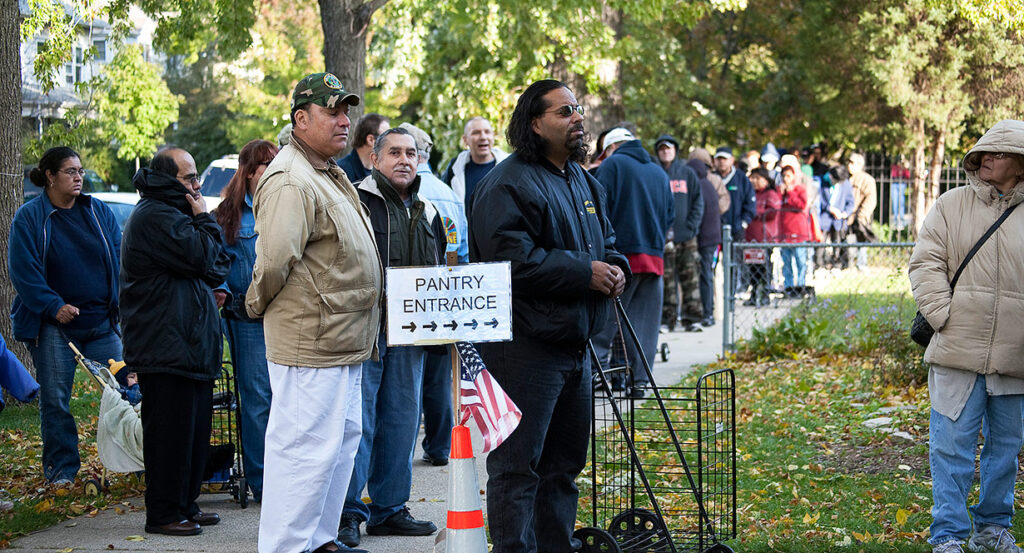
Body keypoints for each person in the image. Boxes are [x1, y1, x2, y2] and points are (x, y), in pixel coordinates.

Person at [468, 79, 628, 553]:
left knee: (564, 468)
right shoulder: (507, 182)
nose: (578, 118)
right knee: (518, 468)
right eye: (564, 112)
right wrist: (584, 271)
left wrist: (616, 269)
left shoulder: (584, 180)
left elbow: (608, 244)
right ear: (535, 124)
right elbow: (508, 263)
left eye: (578, 109)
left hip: (575, 349)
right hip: (524, 350)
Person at [246, 72, 380, 553]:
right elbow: (275, 259)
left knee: (337, 447)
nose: (344, 121)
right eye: (332, 112)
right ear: (300, 120)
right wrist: (254, 304)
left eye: (346, 111)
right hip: (310, 341)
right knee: (303, 454)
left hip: (342, 340)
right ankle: (286, 547)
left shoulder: (325, 170)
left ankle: (318, 540)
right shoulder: (289, 178)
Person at [909, 119, 1024, 553]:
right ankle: (949, 536)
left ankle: (992, 530)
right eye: (984, 152)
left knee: (1006, 452)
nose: (987, 158)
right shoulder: (951, 204)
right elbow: (926, 262)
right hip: (957, 349)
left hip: (1015, 354)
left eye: (999, 152)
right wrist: (943, 315)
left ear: (1021, 163)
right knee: (951, 449)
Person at [338, 127, 444, 548]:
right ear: (374, 158)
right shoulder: (355, 201)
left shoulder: (429, 209)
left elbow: (441, 270)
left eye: (411, 153)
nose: (404, 159)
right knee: (358, 426)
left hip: (411, 335)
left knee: (402, 421)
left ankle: (390, 510)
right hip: (365, 331)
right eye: (394, 152)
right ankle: (347, 512)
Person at [120, 147, 231, 536]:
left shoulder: (177, 214)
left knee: (192, 435)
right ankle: (164, 513)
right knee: (169, 436)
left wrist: (203, 232)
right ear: (168, 180)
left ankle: (185, 504)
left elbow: (218, 263)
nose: (198, 186)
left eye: (197, 177)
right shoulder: (156, 216)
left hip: (189, 345)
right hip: (165, 345)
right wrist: (204, 219)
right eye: (190, 178)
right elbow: (204, 257)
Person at [9, 146, 123, 484]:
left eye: (80, 171)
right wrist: (53, 306)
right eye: (70, 171)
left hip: (102, 323)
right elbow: (23, 272)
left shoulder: (97, 211)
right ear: (49, 176)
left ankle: (131, 463)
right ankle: (62, 471)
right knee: (56, 401)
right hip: (54, 328)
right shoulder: (30, 218)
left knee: (123, 393)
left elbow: (118, 261)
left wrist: (116, 303)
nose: (78, 177)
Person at [398, 122, 470, 466]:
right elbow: (463, 248)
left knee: (410, 380)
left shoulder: (410, 194)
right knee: (440, 378)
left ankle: (406, 444)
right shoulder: (448, 193)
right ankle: (440, 446)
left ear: (417, 155)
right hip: (445, 294)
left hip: (410, 298)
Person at [212, 139, 279, 503]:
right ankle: (263, 482)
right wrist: (223, 294)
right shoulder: (228, 215)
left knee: (290, 401)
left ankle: (289, 478)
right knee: (257, 402)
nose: (274, 170)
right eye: (267, 164)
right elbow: (215, 265)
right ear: (250, 172)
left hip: (289, 318)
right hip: (248, 321)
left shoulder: (289, 206)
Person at [593, 129, 673, 395]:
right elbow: (670, 216)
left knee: (605, 321)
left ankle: (598, 376)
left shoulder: (613, 165)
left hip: (620, 258)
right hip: (654, 259)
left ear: (613, 146)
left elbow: (597, 207)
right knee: (645, 326)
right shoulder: (660, 173)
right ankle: (640, 382)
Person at [653, 134, 704, 332]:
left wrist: (692, 226)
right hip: (664, 237)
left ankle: (693, 318)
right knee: (666, 280)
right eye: (662, 148)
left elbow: (698, 201)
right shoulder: (654, 173)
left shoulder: (687, 173)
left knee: (691, 278)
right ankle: (667, 320)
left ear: (675, 150)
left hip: (687, 237)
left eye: (669, 148)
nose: (666, 151)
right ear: (658, 152)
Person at [685, 156, 721, 326]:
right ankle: (709, 312)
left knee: (704, 275)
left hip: (704, 239)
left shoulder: (698, 185)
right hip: (713, 238)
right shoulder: (709, 185)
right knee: (707, 274)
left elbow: (698, 214)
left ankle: (707, 313)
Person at [442, 116, 509, 204]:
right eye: (476, 133)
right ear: (465, 140)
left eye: (487, 132)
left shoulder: (508, 166)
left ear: (493, 136)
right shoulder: (454, 169)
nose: (483, 137)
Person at [744, 168, 781, 306]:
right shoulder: (750, 194)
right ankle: (753, 294)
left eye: (757, 178)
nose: (754, 181)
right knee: (752, 267)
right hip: (750, 236)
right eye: (752, 178)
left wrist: (755, 212)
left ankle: (765, 294)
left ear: (765, 180)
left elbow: (772, 212)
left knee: (764, 267)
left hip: (765, 237)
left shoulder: (770, 194)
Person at [776, 163, 813, 293]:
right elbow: (775, 207)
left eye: (788, 176)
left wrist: (790, 192)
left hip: (798, 233)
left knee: (800, 262)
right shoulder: (780, 191)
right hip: (784, 234)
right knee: (786, 264)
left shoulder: (800, 190)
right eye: (783, 176)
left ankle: (801, 286)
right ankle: (788, 287)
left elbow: (802, 205)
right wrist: (781, 193)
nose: (786, 179)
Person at [817, 165, 855, 270]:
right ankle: (819, 265)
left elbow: (851, 203)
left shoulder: (845, 184)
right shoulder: (823, 181)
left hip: (838, 220)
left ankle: (836, 264)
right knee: (821, 242)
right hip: (825, 217)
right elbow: (820, 200)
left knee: (837, 242)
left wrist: (844, 214)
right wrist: (830, 209)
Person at [336, 113, 390, 183]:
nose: (390, 142)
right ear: (370, 140)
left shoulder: (384, 170)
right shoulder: (341, 172)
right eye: (385, 138)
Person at [847, 152, 878, 268]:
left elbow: (871, 199)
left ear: (860, 165)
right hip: (848, 216)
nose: (849, 165)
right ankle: (848, 265)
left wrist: (862, 215)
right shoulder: (846, 178)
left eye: (852, 163)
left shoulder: (867, 180)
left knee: (862, 241)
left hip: (860, 217)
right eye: (849, 162)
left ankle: (861, 265)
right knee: (848, 242)